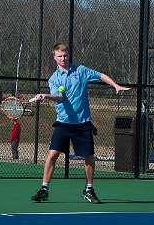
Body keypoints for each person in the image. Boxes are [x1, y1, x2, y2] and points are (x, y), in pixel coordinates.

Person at [30, 42, 131, 204]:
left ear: (68, 56)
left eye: (65, 55)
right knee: (52, 154)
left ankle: (89, 189)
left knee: (89, 157)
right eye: (60, 56)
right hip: (63, 123)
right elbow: (60, 97)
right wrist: (46, 96)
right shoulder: (54, 79)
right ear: (54, 57)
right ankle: (44, 189)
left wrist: (115, 85)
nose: (63, 58)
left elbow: (100, 75)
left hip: (83, 123)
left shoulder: (81, 71)